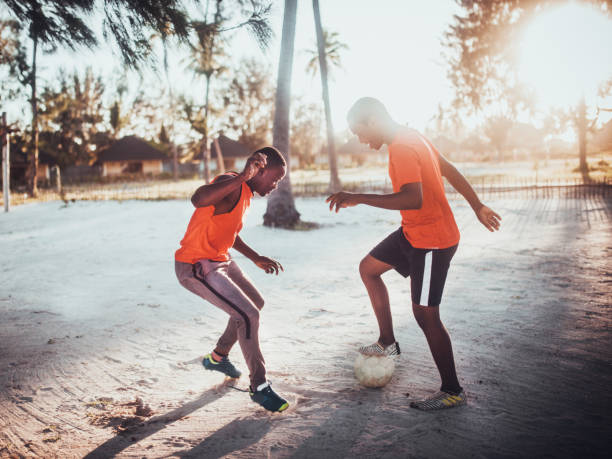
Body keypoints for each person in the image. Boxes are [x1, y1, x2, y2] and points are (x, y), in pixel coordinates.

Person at [326, 97, 501, 411]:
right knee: (369, 268)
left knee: (425, 314)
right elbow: (448, 169)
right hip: (413, 232)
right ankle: (388, 342)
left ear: (373, 120)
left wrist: (358, 197)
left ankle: (452, 390)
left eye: (359, 131)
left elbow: (412, 198)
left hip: (432, 240)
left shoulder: (403, 146)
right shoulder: (412, 135)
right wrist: (477, 206)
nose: (360, 139)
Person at [175, 147, 289, 413]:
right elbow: (198, 198)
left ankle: (217, 357)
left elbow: (229, 231)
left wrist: (255, 257)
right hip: (196, 265)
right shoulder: (232, 183)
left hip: (220, 259)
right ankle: (259, 387)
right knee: (247, 315)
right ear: (257, 170)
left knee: (255, 304)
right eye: (273, 179)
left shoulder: (245, 193)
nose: (274, 186)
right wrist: (241, 176)